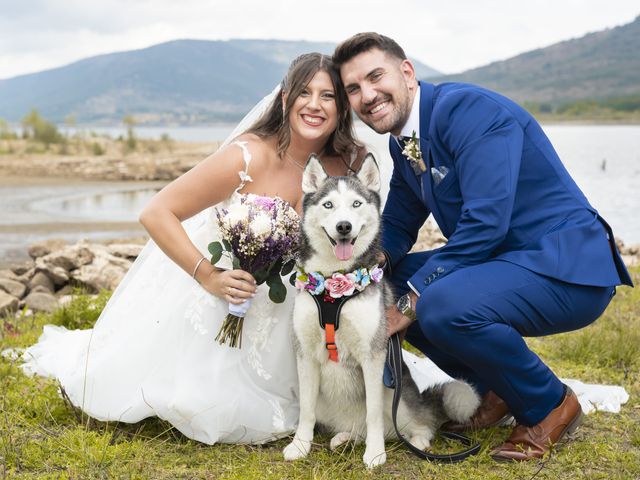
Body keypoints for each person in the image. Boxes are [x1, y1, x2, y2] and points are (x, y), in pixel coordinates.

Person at [20, 53, 365, 445]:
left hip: (294, 309)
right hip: (221, 299)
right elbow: (157, 211)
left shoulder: (344, 168)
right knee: (199, 398)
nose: (314, 105)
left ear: (342, 106)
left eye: (327, 96)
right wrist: (210, 276)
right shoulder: (247, 155)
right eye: (304, 93)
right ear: (285, 100)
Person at [333, 33, 633, 461]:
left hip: (565, 266)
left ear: (407, 72)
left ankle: (549, 403)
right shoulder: (406, 142)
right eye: (353, 89)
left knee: (435, 303)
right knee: (387, 284)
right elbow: (398, 223)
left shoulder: (470, 112)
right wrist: (365, 269)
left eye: (375, 76)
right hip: (505, 261)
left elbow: (486, 223)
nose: (367, 95)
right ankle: (494, 391)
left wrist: (412, 299)